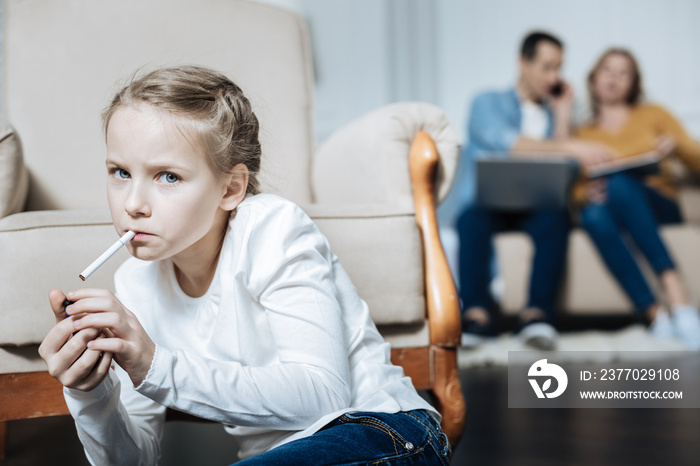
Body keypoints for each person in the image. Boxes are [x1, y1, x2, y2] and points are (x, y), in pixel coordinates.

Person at [37, 66, 451, 465]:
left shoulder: (272, 228)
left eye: (168, 177)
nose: (132, 204)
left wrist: (154, 365)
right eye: (120, 172)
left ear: (231, 188)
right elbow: (135, 458)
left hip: (387, 432)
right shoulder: (135, 282)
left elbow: (324, 396)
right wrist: (92, 393)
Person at [454, 31, 615, 350]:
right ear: (523, 63)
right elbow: (509, 144)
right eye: (547, 67)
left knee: (556, 218)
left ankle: (536, 315)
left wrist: (564, 116)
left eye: (559, 68)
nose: (554, 76)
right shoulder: (487, 102)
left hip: (539, 207)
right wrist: (569, 147)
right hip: (489, 204)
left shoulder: (553, 117)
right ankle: (475, 314)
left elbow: (568, 171)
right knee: (470, 219)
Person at [575, 48, 700, 350]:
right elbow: (574, 189)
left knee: (619, 183)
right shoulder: (582, 134)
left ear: (634, 84)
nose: (614, 78)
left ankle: (677, 295)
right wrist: (586, 193)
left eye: (623, 73)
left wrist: (677, 145)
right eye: (608, 70)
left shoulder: (654, 114)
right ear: (593, 79)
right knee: (592, 214)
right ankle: (656, 314)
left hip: (660, 204)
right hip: (612, 209)